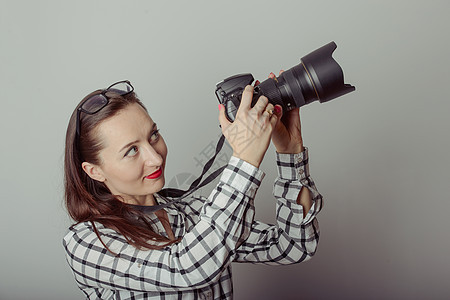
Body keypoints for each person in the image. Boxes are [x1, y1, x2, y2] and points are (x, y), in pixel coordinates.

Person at [63, 74, 323, 299]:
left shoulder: (194, 214)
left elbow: (294, 245)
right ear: (94, 171)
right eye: (132, 150)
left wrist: (290, 152)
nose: (155, 158)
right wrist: (245, 159)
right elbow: (186, 268)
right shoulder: (87, 242)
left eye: (153, 135)